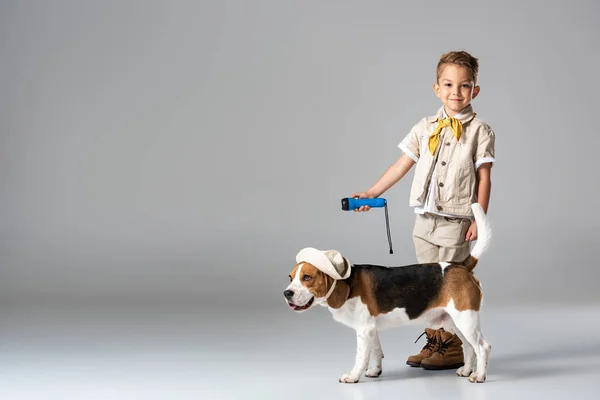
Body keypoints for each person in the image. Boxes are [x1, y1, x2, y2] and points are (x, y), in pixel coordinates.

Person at [351, 50, 495, 370]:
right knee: (427, 286)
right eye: (448, 85)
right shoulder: (424, 126)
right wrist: (372, 193)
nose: (455, 92)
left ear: (475, 91)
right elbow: (401, 164)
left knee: (451, 285)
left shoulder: (480, 131)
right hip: (425, 223)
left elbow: (484, 178)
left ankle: (454, 347)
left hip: (456, 222)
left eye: (464, 86)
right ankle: (437, 343)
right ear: (436, 88)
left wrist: (477, 217)